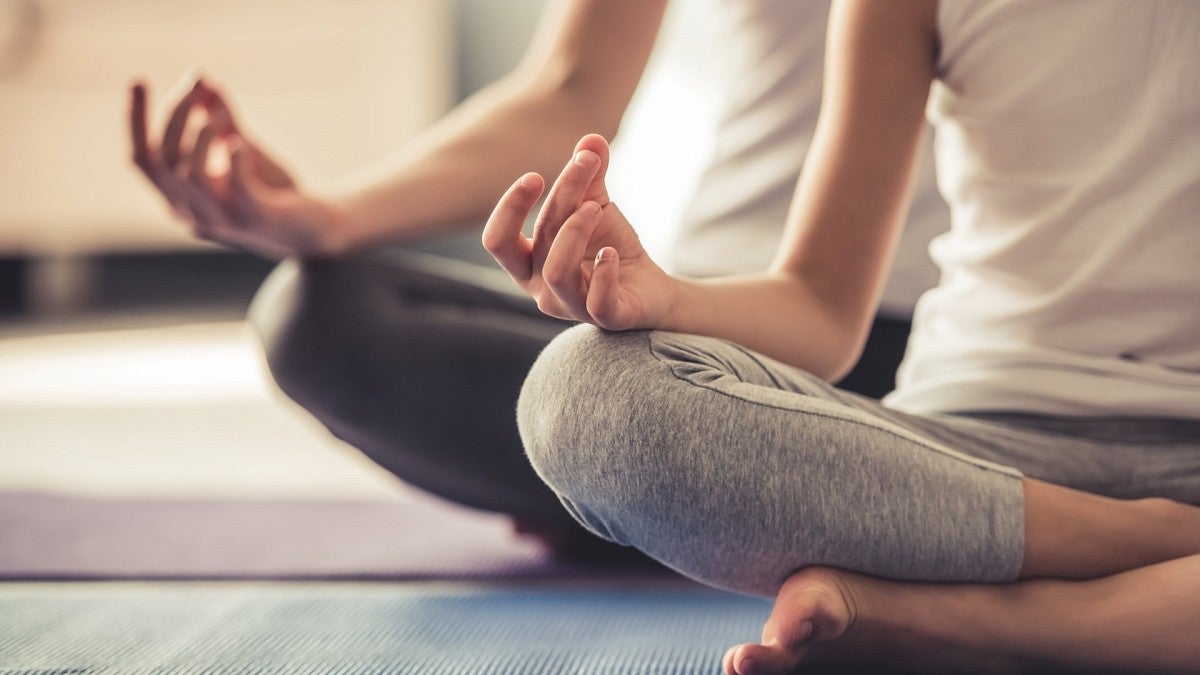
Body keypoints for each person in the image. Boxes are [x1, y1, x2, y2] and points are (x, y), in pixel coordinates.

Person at [481, 0, 1200, 673]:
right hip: (963, 456)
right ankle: (1160, 547)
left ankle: (950, 619)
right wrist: (663, 296)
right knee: (585, 393)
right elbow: (820, 312)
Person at [128, 0, 947, 559]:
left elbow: (822, 309)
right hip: (686, 322)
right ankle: (670, 510)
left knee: (614, 406)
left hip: (903, 353)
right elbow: (571, 87)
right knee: (319, 314)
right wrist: (325, 216)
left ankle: (647, 511)